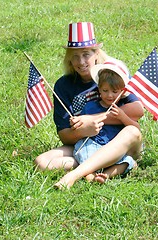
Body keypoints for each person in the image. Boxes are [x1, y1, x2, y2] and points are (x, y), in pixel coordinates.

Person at [34, 22, 144, 186]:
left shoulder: (112, 74)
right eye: (75, 56)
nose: (81, 61)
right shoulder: (63, 85)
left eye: (86, 54)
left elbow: (138, 110)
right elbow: (64, 135)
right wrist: (83, 130)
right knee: (41, 162)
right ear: (69, 59)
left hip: (120, 142)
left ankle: (74, 176)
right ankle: (105, 164)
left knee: (132, 132)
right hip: (86, 144)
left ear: (96, 54)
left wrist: (93, 119)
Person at [74, 59, 140, 184]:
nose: (110, 95)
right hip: (93, 143)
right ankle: (91, 176)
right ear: (99, 89)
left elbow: (136, 128)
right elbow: (81, 126)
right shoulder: (90, 107)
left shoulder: (122, 108)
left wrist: (122, 117)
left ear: (122, 91)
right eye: (105, 91)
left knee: (128, 161)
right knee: (83, 152)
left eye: (115, 92)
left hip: (113, 147)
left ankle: (106, 175)